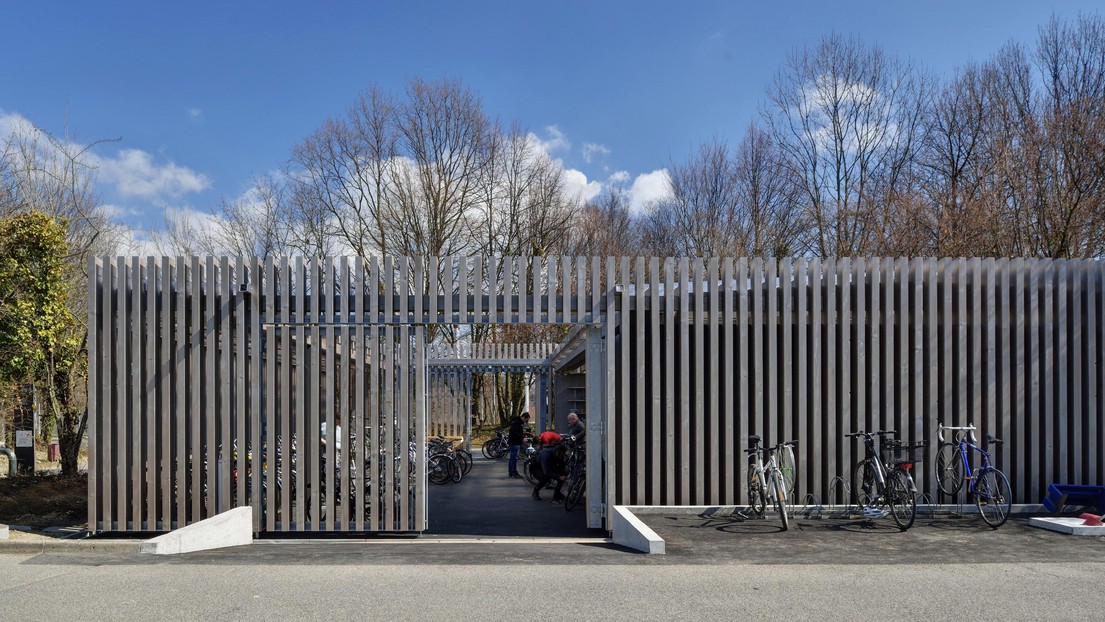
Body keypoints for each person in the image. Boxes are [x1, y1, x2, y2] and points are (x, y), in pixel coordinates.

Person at [507, 411, 530, 479]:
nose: (526, 422)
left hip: (513, 442)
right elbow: (515, 432)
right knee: (514, 458)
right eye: (526, 420)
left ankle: (511, 472)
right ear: (524, 417)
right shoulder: (517, 423)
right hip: (515, 443)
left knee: (512, 458)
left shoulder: (516, 421)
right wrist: (522, 438)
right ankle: (514, 473)